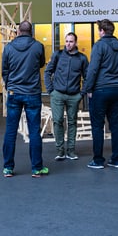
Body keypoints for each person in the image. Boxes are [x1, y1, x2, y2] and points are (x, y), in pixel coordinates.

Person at [1, 21, 48, 178]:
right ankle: (36, 168)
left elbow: (5, 70)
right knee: (34, 131)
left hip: (14, 93)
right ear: (31, 31)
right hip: (32, 93)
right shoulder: (38, 46)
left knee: (10, 131)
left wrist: (10, 85)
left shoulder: (8, 47)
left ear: (18, 31)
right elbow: (41, 64)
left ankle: (8, 168)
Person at [84, 19, 118, 169]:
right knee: (115, 125)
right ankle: (116, 160)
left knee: (97, 126)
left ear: (102, 31)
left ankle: (98, 160)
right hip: (116, 90)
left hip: (100, 90)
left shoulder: (99, 46)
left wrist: (87, 89)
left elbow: (93, 69)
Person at [44, 32, 88, 161]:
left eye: (71, 41)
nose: (68, 44)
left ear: (76, 43)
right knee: (57, 121)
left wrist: (82, 93)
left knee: (72, 122)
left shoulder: (82, 58)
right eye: (67, 41)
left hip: (74, 95)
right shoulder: (57, 55)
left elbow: (87, 77)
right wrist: (50, 90)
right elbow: (47, 72)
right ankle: (60, 150)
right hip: (57, 93)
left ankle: (71, 151)